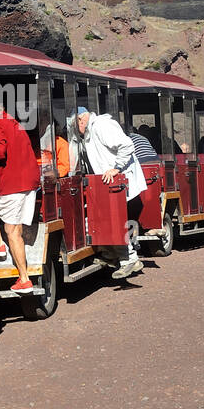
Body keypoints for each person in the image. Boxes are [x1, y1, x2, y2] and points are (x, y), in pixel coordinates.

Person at [72, 106, 146, 280]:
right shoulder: (92, 129)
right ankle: (114, 254)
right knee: (107, 219)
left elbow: (127, 145)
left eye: (76, 126)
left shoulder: (101, 126)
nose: (77, 131)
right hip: (109, 184)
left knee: (113, 220)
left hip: (119, 181)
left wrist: (116, 168)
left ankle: (129, 259)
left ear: (82, 120)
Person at [0, 104, 41, 292]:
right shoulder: (14, 123)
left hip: (11, 184)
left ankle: (22, 276)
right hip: (28, 183)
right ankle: (1, 247)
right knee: (16, 229)